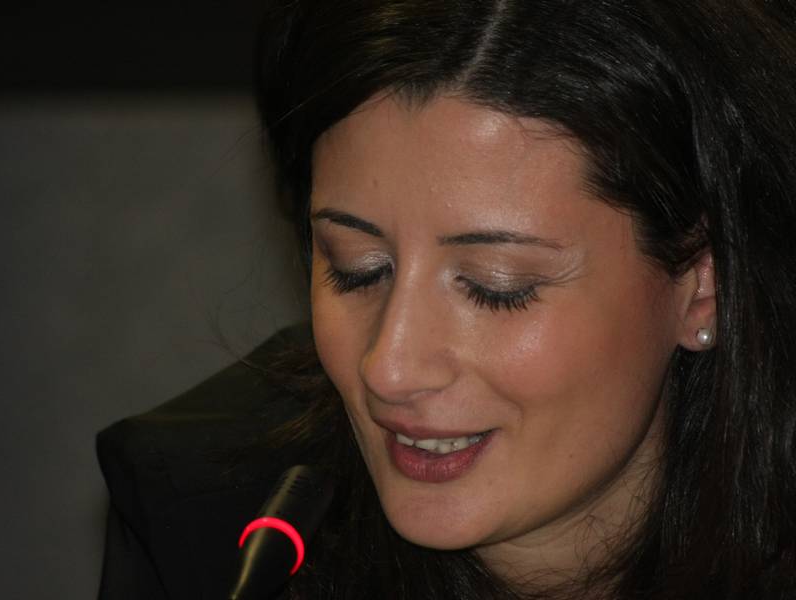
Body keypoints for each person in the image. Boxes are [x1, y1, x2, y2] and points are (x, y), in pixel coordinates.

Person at [98, 1, 796, 598]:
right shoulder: (214, 524)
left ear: (703, 283)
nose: (389, 367)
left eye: (496, 287)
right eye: (358, 270)